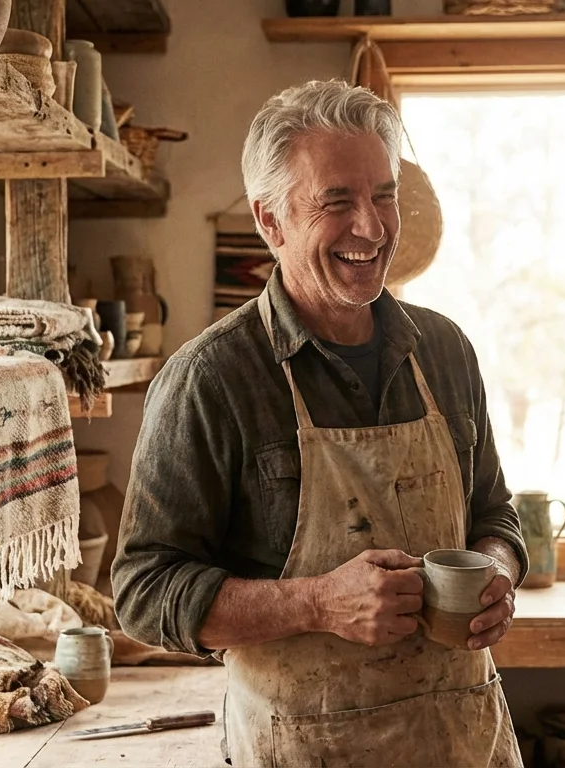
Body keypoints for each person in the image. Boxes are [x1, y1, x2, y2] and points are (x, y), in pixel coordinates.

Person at [112, 79, 525, 767]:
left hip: (460, 742)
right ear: (270, 221)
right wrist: (317, 603)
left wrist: (498, 574)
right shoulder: (212, 379)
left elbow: (496, 515)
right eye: (337, 202)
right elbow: (143, 593)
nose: (373, 228)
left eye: (384, 196)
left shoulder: (445, 352)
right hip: (304, 749)